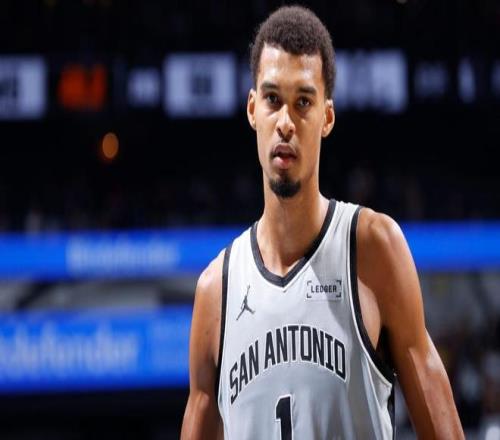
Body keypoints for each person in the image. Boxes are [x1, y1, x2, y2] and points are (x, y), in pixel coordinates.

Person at [181, 5, 464, 439]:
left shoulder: (372, 249)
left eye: (303, 102)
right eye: (273, 100)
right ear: (253, 109)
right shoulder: (215, 292)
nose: (285, 123)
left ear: (326, 117)